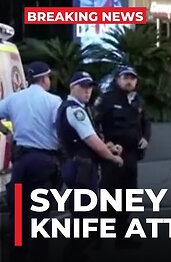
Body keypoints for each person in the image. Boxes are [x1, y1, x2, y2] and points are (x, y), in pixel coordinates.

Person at [56, 71, 123, 262]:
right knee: (89, 217)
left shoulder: (77, 108)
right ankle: (72, 254)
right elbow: (91, 140)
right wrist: (112, 157)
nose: (88, 91)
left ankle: (76, 254)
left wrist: (108, 146)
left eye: (90, 87)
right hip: (81, 169)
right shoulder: (75, 110)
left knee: (83, 215)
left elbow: (89, 139)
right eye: (83, 87)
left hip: (77, 166)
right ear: (72, 87)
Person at [0, 61, 62, 262]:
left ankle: (17, 254)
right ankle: (39, 255)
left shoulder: (13, 99)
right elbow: (61, 130)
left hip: (20, 163)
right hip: (43, 163)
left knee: (18, 211)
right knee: (41, 212)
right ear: (44, 79)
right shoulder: (54, 101)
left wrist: (6, 132)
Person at [93, 66, 151, 248]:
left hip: (132, 154)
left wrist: (145, 138)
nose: (129, 81)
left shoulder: (136, 100)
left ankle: (123, 236)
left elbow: (145, 122)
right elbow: (94, 124)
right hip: (112, 154)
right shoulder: (107, 99)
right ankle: (98, 238)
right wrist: (106, 144)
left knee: (127, 196)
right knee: (108, 196)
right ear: (118, 79)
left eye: (133, 78)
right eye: (126, 77)